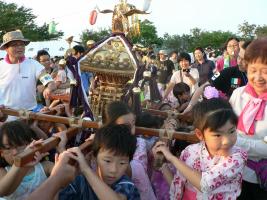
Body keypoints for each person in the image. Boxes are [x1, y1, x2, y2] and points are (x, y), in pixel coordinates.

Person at [153, 98, 247, 199]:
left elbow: (205, 185)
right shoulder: (189, 152)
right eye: (217, 135)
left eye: (232, 131)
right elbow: (178, 186)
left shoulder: (237, 157)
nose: (227, 141)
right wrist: (163, 166)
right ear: (200, 134)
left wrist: (172, 158)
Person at [28, 124, 140, 200]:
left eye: (122, 163)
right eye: (107, 161)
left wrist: (85, 169)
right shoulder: (81, 182)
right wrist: (57, 178)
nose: (113, 170)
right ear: (93, 157)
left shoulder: (126, 184)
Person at [230, 37, 267, 199]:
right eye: (253, 70)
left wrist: (234, 141)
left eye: (265, 71)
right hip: (234, 173)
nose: (258, 77)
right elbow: (225, 127)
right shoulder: (239, 94)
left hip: (262, 180)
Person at [103, 101, 157, 200]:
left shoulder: (140, 143)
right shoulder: (101, 147)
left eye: (133, 124)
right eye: (126, 127)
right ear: (109, 127)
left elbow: (133, 170)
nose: (132, 131)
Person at [0, 30, 56, 120]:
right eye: (15, 45)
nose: (20, 47)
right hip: (6, 114)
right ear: (6, 48)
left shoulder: (33, 64)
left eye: (22, 44)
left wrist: (49, 87)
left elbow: (47, 79)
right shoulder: (1, 65)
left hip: (29, 114)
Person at [0, 120, 54, 199]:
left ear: (31, 144)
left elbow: (65, 176)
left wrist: (61, 148)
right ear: (1, 153)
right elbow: (3, 192)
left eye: (20, 145)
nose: (15, 152)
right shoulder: (2, 171)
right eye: (8, 148)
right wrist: (20, 165)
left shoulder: (45, 166)